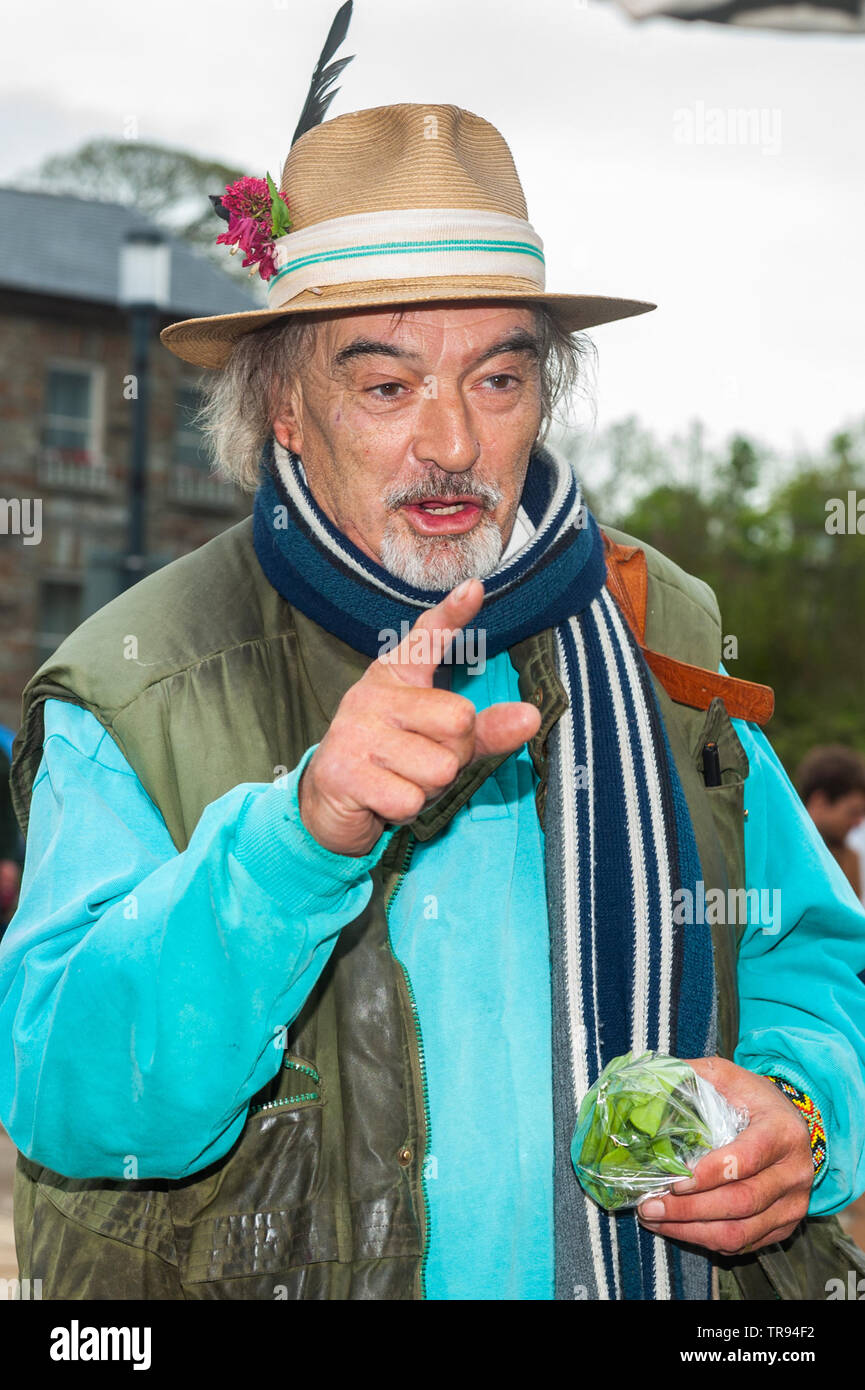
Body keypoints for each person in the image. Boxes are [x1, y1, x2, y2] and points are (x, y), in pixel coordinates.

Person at [2, 103, 865, 1302]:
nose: (451, 438)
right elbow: (69, 1098)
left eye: (497, 376)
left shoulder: (656, 628)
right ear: (285, 411)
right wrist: (297, 840)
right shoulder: (136, 679)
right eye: (386, 382)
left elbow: (811, 961)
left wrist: (802, 1110)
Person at [795, 744, 865, 899]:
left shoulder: (849, 858)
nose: (858, 822)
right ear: (819, 802)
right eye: (853, 812)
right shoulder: (783, 854)